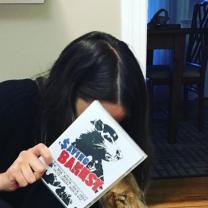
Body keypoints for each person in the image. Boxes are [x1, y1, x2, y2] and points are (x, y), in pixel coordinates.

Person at [0, 31, 150, 208]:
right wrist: (5, 179)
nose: (102, 133)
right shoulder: (13, 101)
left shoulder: (119, 146)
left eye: (114, 125)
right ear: (66, 94)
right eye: (93, 120)